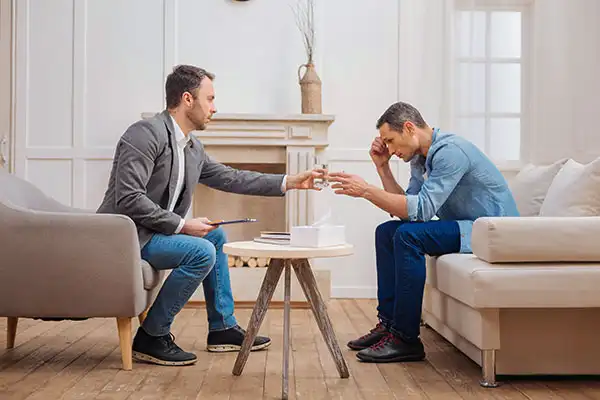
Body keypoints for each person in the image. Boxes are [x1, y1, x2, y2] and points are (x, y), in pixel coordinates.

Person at [97, 64, 325, 366]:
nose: (214, 108)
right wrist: (181, 224)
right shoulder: (144, 135)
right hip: (125, 237)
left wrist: (290, 181)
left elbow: (231, 177)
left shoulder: (191, 148)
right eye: (210, 99)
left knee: (214, 235)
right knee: (201, 252)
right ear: (187, 99)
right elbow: (128, 198)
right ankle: (151, 335)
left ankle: (222, 328)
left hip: (152, 233)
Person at [328, 101, 519, 363]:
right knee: (387, 232)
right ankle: (389, 325)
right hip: (469, 226)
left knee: (408, 236)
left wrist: (365, 191)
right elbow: (405, 208)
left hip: (493, 232)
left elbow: (420, 211)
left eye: (391, 141)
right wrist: (382, 168)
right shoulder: (420, 159)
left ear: (409, 128)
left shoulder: (450, 152)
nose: (391, 150)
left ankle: (405, 339)